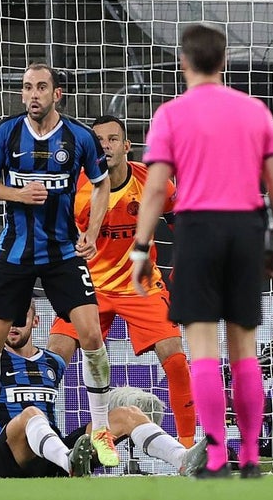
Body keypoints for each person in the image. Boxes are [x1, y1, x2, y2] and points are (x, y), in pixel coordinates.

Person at [131, 23, 273, 479]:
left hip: (198, 228)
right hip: (245, 227)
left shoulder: (171, 114)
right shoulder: (255, 111)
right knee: (244, 346)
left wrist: (141, 248)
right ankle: (253, 458)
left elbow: (157, 188)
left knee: (201, 346)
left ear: (184, 62)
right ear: (223, 62)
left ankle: (217, 456)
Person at [0, 62, 120, 471]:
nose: (33, 94)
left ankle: (101, 428)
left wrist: (93, 230)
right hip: (15, 252)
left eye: (41, 87)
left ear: (57, 94)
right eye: (27, 87)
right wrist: (18, 193)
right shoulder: (6, 132)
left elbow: (102, 183)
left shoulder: (80, 137)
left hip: (62, 253)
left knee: (90, 334)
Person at [46, 115, 196, 447]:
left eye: (113, 139)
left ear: (126, 146)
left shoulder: (153, 183)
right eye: (98, 140)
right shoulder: (76, 187)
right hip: (89, 286)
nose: (105, 145)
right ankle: (44, 442)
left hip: (139, 286)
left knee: (175, 358)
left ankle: (187, 449)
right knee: (53, 357)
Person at [0, 300, 207, 479]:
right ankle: (69, 461)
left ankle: (182, 459)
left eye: (22, 316)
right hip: (11, 457)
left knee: (129, 413)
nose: (14, 324)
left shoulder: (52, 362)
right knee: (33, 413)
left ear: (35, 321)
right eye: (7, 317)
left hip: (53, 453)